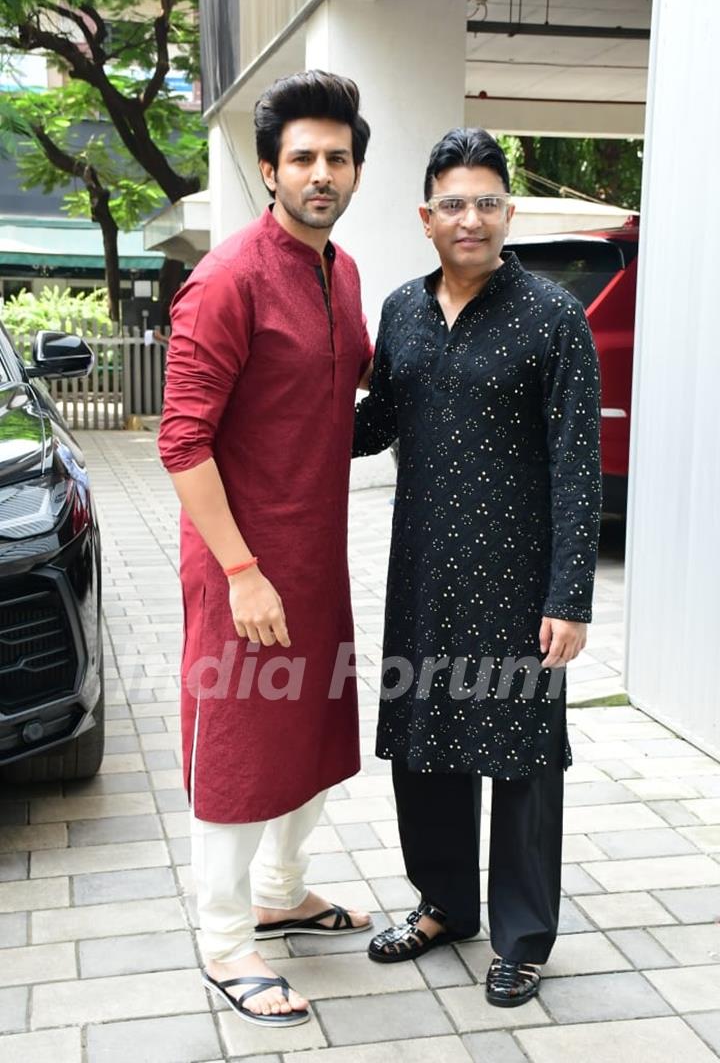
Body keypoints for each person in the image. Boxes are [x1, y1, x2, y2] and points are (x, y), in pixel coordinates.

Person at [353, 128, 601, 1007]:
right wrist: (277, 413)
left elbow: (577, 463)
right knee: (424, 748)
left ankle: (524, 937)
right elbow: (375, 420)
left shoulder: (552, 317)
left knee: (525, 761)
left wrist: (570, 597)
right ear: (426, 218)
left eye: (486, 202)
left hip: (519, 583)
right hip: (422, 571)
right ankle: (445, 906)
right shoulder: (401, 311)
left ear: (509, 212)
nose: (471, 219)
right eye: (453, 204)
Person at [158, 70, 374, 1028]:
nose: (320, 173)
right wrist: (240, 572)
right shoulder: (228, 278)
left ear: (356, 169)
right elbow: (181, 441)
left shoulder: (346, 271)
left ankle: (283, 891)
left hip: (317, 559)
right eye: (302, 159)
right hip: (240, 568)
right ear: (268, 170)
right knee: (241, 745)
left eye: (336, 157)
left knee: (314, 735)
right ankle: (224, 938)